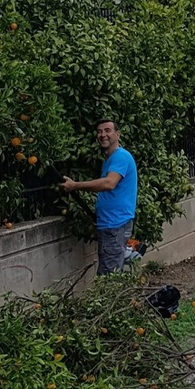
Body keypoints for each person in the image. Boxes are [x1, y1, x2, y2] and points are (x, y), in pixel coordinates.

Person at [60, 118, 138, 276]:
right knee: (111, 271)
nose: (103, 135)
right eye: (99, 131)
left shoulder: (120, 157)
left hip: (114, 225)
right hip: (111, 224)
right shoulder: (111, 159)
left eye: (107, 130)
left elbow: (109, 183)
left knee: (108, 277)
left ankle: (114, 301)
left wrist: (75, 186)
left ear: (118, 134)